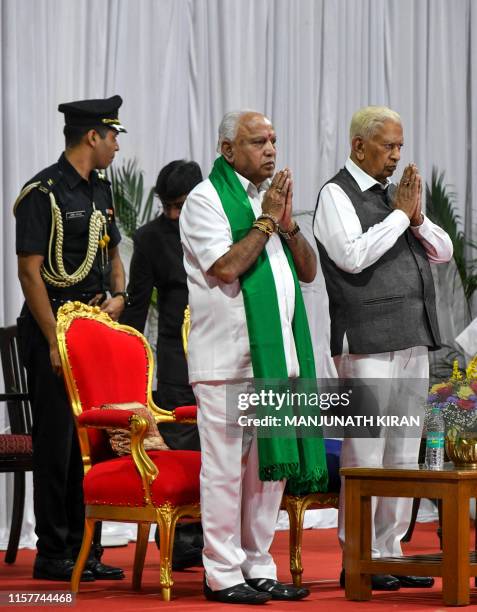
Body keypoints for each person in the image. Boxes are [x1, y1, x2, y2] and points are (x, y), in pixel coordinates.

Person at [180, 110, 327, 605]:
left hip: (276, 361)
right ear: (227, 150)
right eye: (258, 141)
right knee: (224, 472)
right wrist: (266, 220)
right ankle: (221, 573)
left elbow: (307, 273)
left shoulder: (267, 204)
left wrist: (287, 227)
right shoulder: (206, 200)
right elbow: (224, 267)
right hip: (227, 364)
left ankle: (258, 564)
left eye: (274, 140)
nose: (270, 149)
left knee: (270, 474)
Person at [313, 105, 453, 591]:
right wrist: (398, 216)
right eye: (388, 146)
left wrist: (413, 217)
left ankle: (390, 553)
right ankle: (359, 558)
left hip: (412, 337)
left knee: (402, 454)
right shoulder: (335, 193)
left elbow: (443, 251)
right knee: (365, 453)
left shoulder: (398, 198)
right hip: (365, 340)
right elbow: (351, 257)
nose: (396, 155)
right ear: (358, 146)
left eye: (400, 146)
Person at [14, 96, 128, 582]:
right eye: (113, 136)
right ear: (92, 136)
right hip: (54, 331)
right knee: (57, 442)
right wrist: (55, 340)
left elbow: (114, 251)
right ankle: (53, 551)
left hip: (94, 331)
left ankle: (88, 548)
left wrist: (119, 294)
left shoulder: (100, 190)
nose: (118, 146)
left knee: (96, 441)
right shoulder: (43, 192)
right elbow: (29, 272)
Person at [120, 159, 203, 569]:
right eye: (167, 205)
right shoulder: (151, 238)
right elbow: (136, 309)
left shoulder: (221, 229)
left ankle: (215, 534)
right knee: (183, 444)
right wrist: (126, 368)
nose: (173, 214)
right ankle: (183, 537)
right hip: (174, 358)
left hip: (222, 352)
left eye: (181, 205)